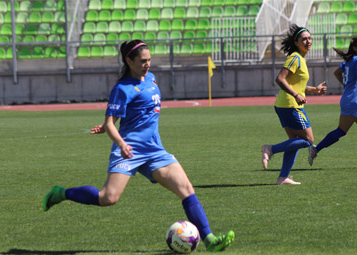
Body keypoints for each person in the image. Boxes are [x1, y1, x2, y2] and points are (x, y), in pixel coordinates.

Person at [42, 40, 235, 252]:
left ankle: (210, 240)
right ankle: (62, 193)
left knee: (187, 190)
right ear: (129, 61)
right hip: (129, 150)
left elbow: (135, 116)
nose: (148, 64)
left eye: (149, 60)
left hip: (154, 150)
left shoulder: (151, 79)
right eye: (143, 61)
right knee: (108, 198)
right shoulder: (122, 88)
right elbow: (109, 122)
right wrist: (121, 142)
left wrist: (112, 127)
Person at [261, 24, 327, 185]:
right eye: (304, 39)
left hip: (284, 105)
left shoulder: (300, 59)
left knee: (294, 142)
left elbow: (298, 85)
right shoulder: (295, 58)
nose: (308, 41)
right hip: (291, 106)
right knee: (309, 140)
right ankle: (270, 149)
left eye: (310, 38)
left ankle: (283, 177)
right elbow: (280, 79)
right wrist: (296, 95)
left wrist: (314, 90)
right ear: (296, 42)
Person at [308, 35, 357, 164]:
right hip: (353, 102)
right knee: (341, 131)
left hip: (352, 100)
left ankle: (316, 149)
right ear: (355, 47)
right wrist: (348, 85)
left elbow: (337, 73)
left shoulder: (349, 60)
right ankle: (316, 149)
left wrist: (345, 84)